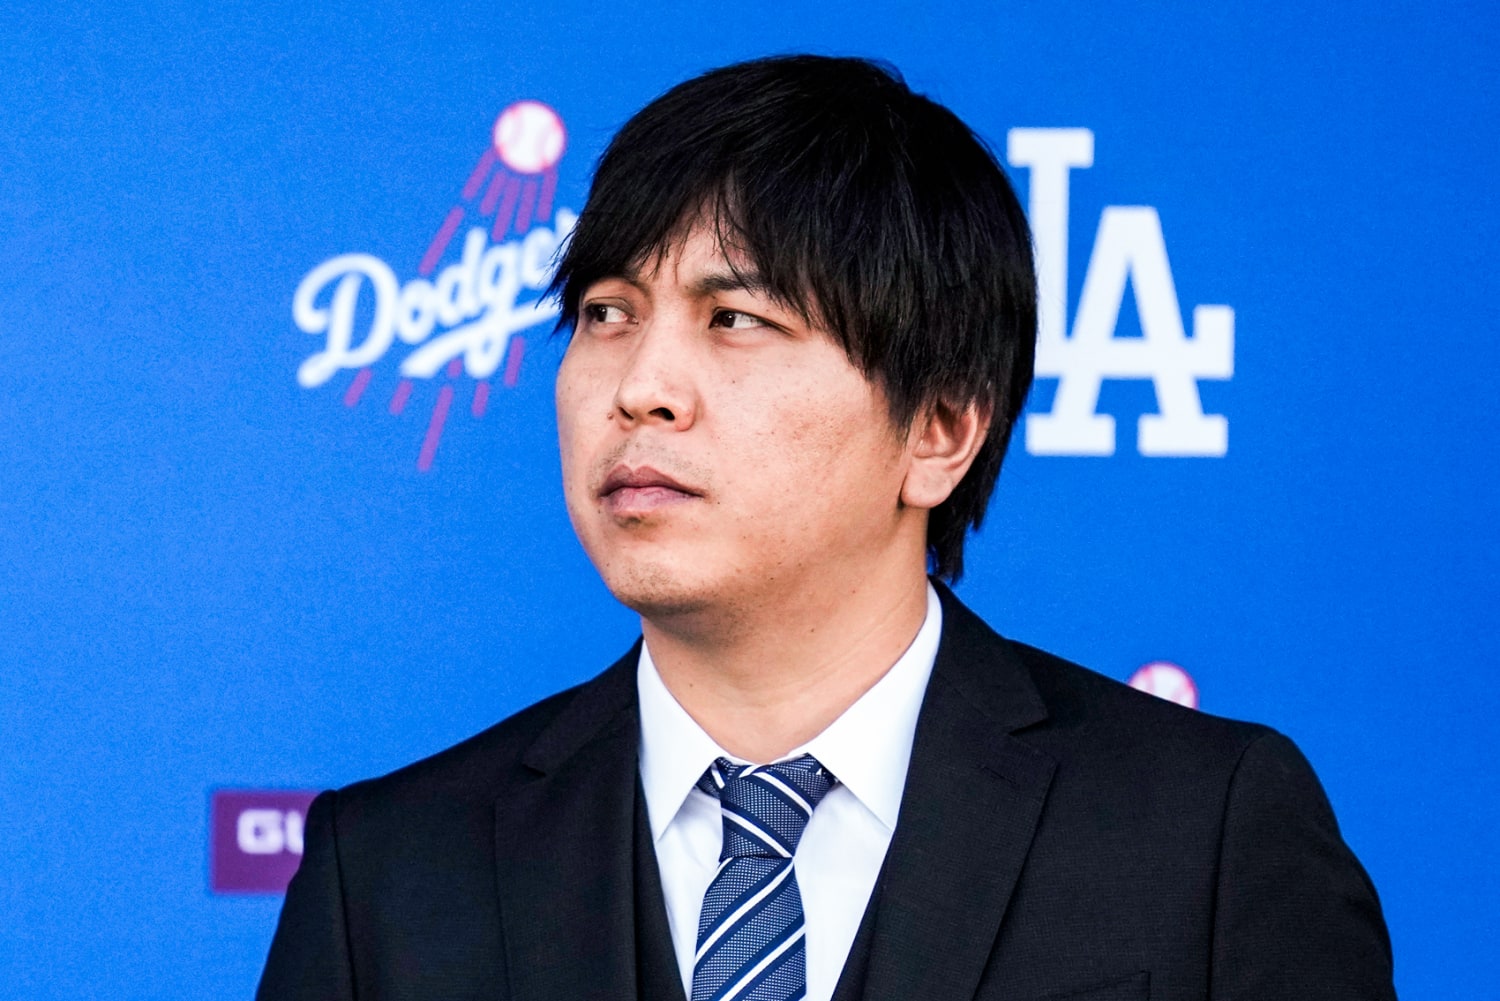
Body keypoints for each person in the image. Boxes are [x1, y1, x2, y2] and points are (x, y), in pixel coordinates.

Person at [258, 55, 1396, 1001]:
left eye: (735, 318)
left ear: (940, 427)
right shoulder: (392, 872)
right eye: (607, 313)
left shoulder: (1203, 832)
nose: (641, 387)